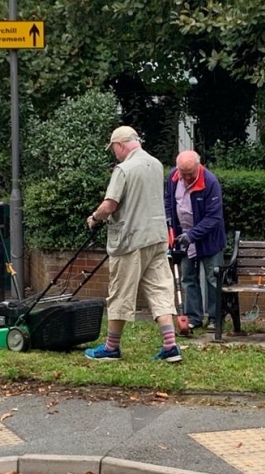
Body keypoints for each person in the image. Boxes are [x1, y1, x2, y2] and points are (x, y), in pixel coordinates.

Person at [84, 126, 182, 363]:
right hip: (157, 238)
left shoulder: (124, 169)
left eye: (113, 149)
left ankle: (111, 347)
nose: (114, 154)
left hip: (130, 240)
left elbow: (110, 205)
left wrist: (94, 218)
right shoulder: (156, 165)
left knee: (120, 293)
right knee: (160, 289)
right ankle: (170, 346)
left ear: (119, 145)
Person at [165, 150, 227, 331]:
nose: (185, 178)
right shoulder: (173, 177)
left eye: (189, 174)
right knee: (188, 278)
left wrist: (192, 235)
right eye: (182, 173)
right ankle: (194, 317)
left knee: (212, 279)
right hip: (182, 238)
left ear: (198, 167)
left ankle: (216, 318)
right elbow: (168, 200)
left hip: (209, 240)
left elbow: (214, 217)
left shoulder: (210, 182)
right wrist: (169, 219)